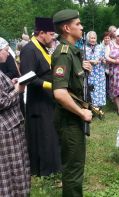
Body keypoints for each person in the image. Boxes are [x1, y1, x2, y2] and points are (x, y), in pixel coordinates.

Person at [52, 9, 93, 196]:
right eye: (78, 24)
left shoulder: (73, 53)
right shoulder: (63, 53)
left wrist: (84, 70)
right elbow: (60, 93)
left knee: (76, 166)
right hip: (69, 119)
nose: (82, 27)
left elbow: (71, 85)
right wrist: (82, 112)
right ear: (67, 28)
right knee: (73, 169)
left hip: (73, 117)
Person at [20, 17, 61, 176]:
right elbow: (28, 77)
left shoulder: (42, 47)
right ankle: (43, 169)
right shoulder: (29, 50)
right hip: (37, 101)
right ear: (41, 33)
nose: (53, 38)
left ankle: (52, 165)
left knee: (50, 132)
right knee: (43, 133)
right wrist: (50, 85)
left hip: (47, 98)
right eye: (51, 34)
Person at [0, 39, 30, 196]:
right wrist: (17, 90)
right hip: (5, 129)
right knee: (10, 167)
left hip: (10, 125)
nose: (7, 53)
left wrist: (11, 84)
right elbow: (1, 101)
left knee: (15, 164)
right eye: (5, 50)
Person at [85, 31, 106, 107]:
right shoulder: (84, 48)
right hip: (90, 72)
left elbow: (105, 59)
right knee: (91, 88)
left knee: (100, 89)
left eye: (94, 38)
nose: (93, 40)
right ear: (88, 38)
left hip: (99, 72)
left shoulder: (100, 47)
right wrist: (91, 61)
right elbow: (82, 60)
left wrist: (103, 60)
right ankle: (92, 106)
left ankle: (99, 106)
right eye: (91, 38)